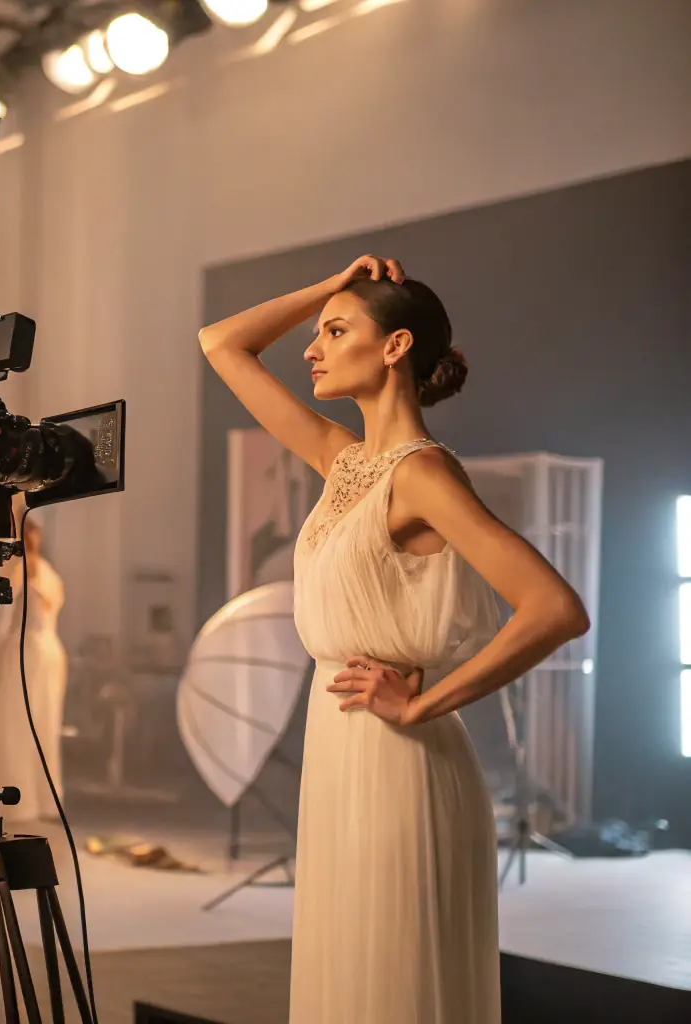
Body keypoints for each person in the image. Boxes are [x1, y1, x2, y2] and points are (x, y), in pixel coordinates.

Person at [199, 255, 589, 1024]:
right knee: (346, 977)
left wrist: (420, 707)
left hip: (400, 758)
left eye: (335, 331)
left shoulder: (422, 475)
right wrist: (330, 286)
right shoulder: (340, 460)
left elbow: (554, 609)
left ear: (395, 346)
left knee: (394, 983)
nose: (311, 348)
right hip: (339, 746)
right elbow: (220, 344)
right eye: (315, 333)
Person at [0, 517, 68, 822]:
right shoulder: (20, 571)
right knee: (14, 725)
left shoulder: (39, 573)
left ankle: (38, 798)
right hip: (27, 651)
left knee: (39, 724)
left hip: (37, 652)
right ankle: (20, 796)